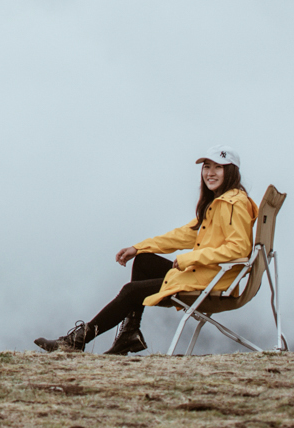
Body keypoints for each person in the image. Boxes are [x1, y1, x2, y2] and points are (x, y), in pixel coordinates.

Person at [34, 149, 256, 355]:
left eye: (218, 167)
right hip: (206, 273)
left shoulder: (234, 204)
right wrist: (138, 247)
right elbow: (185, 235)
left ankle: (75, 342)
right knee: (143, 261)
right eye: (207, 167)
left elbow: (239, 248)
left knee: (131, 291)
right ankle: (129, 335)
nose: (210, 173)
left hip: (214, 281)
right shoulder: (219, 203)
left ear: (231, 172)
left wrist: (190, 258)